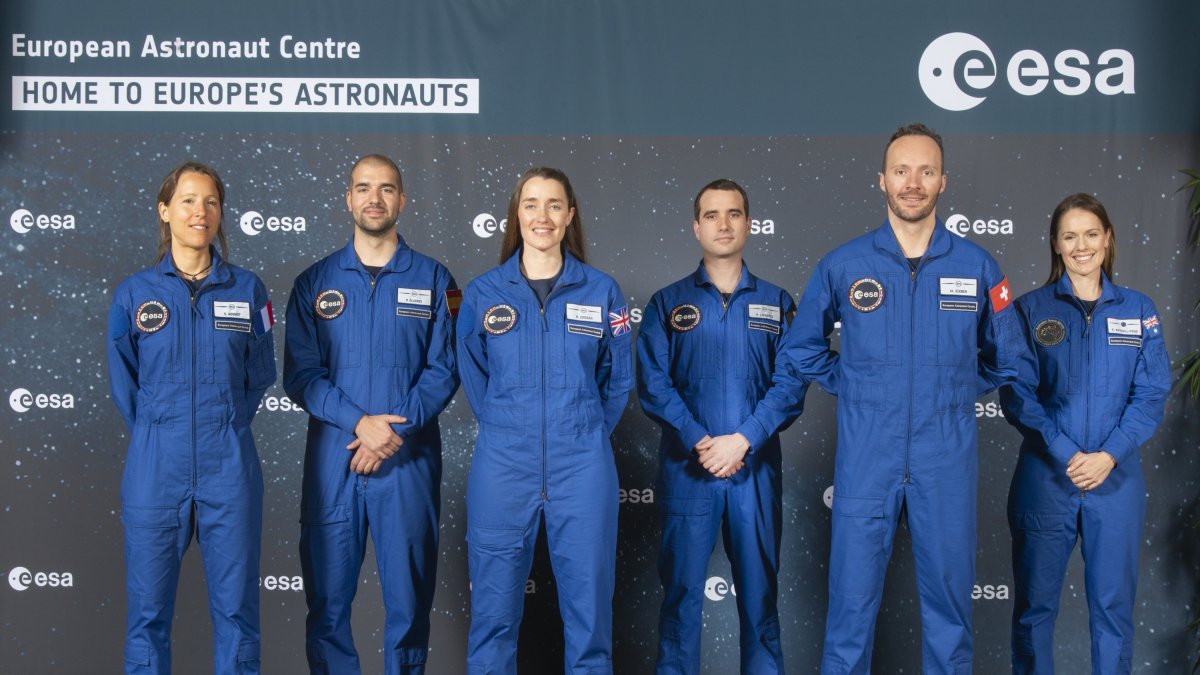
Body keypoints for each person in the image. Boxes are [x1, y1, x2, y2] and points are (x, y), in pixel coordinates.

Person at [781, 123, 1020, 674]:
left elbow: (1009, 359)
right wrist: (860, 386)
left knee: (950, 612)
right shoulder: (843, 265)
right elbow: (802, 348)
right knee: (849, 610)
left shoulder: (978, 267)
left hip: (945, 457)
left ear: (943, 181)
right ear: (882, 180)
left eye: (926, 171)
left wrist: (955, 388)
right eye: (901, 171)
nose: (913, 182)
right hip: (868, 456)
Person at [283, 155, 459, 674]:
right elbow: (302, 374)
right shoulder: (313, 282)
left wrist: (390, 430)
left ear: (403, 200)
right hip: (335, 459)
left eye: (386, 189)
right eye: (363, 188)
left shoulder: (436, 279)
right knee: (327, 608)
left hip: (408, 460)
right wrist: (362, 425)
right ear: (348, 198)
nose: (374, 198)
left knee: (408, 607)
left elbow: (445, 367)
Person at [456, 166, 633, 674]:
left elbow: (618, 379)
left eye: (554, 204)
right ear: (517, 214)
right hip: (503, 465)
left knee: (590, 618)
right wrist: (508, 427)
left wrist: (585, 430)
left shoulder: (601, 291)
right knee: (492, 616)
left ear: (570, 215)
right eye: (531, 204)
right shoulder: (484, 293)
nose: (542, 215)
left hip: (582, 466)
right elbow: (474, 375)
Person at [107, 161, 276, 674]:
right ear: (165, 211)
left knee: (237, 613)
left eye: (210, 202)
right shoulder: (134, 294)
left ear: (221, 214)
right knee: (148, 615)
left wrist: (224, 421)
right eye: (187, 200)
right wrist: (161, 431)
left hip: (229, 462)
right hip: (156, 464)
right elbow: (125, 382)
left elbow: (260, 373)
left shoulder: (249, 290)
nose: (199, 212)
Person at [637, 179, 805, 674]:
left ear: (749, 224)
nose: (724, 224)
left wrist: (745, 439)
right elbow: (654, 383)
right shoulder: (667, 304)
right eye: (712, 215)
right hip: (689, 470)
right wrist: (699, 441)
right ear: (696, 226)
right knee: (681, 601)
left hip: (753, 470)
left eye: (734, 214)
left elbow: (791, 382)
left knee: (760, 601)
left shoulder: (777, 303)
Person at [999, 193, 1170, 674]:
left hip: (1114, 481)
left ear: (1108, 238)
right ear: (1055, 243)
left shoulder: (1138, 309)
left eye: (1091, 234)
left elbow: (1152, 390)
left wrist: (1109, 455)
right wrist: (1066, 452)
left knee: (1113, 613)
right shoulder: (1029, 310)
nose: (1081, 246)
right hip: (1046, 479)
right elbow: (1017, 393)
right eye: (1069, 236)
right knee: (1033, 612)